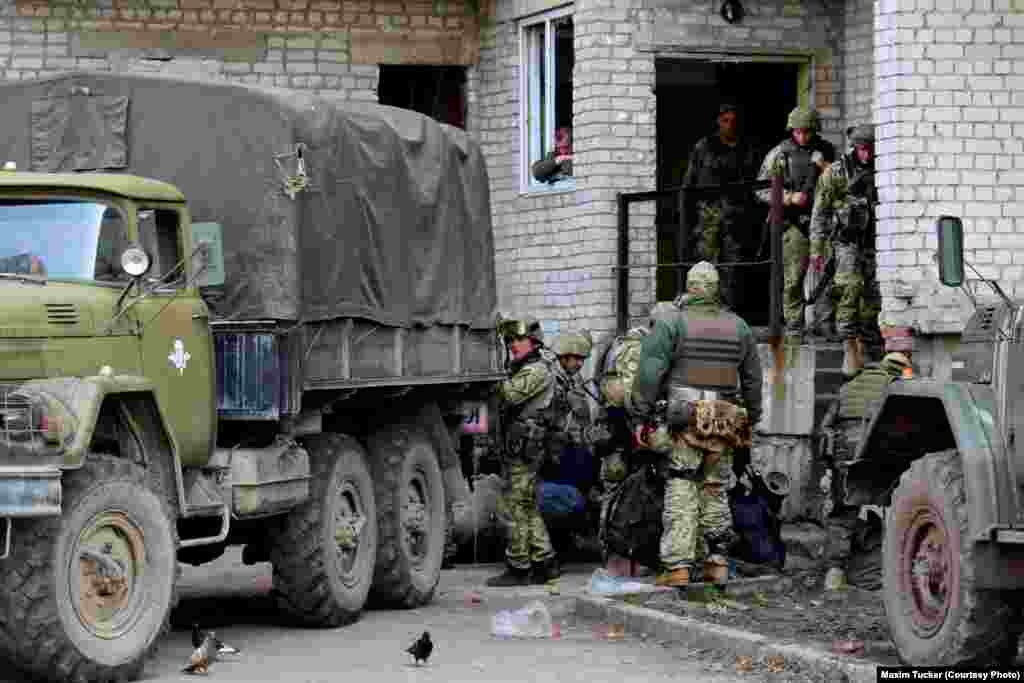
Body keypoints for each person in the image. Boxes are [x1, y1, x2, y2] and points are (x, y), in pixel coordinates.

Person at [629, 262, 763, 587]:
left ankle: (678, 566)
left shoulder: (671, 321)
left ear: (689, 287)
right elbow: (753, 380)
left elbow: (650, 373)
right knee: (715, 487)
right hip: (726, 419)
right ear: (716, 289)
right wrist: (752, 418)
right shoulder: (740, 326)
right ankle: (717, 561)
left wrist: (640, 415)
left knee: (682, 483)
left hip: (684, 418)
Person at [590, 302, 677, 576]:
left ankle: (629, 556)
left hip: (627, 430)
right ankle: (618, 557)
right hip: (626, 432)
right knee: (622, 494)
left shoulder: (635, 345)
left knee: (629, 493)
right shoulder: (636, 348)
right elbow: (631, 398)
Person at [485, 315, 568, 587]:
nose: (513, 345)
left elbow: (509, 395)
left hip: (526, 448)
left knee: (514, 507)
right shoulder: (530, 366)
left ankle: (519, 565)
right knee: (528, 506)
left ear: (533, 342)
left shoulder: (536, 370)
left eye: (518, 340)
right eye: (510, 341)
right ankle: (546, 562)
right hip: (524, 446)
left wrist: (493, 373)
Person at [819, 351, 912, 586]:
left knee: (842, 513)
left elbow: (826, 427)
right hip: (880, 454)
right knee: (897, 509)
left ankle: (834, 574)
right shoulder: (896, 386)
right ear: (900, 369)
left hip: (844, 455)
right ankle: (892, 573)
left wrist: (830, 465)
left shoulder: (848, 386)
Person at [756, 106, 836, 340]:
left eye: (807, 132)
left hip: (823, 223)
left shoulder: (826, 151)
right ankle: (794, 326)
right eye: (798, 132)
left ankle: (824, 323)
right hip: (794, 224)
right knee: (793, 278)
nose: (802, 136)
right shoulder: (780, 153)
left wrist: (824, 167)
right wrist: (789, 197)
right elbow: (761, 189)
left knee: (827, 277)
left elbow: (844, 182)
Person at [809, 124, 880, 376]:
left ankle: (868, 344)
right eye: (862, 149)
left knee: (873, 296)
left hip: (875, 243)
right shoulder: (837, 172)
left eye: (871, 149)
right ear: (855, 148)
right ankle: (848, 344)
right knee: (849, 289)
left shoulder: (885, 169)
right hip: (846, 242)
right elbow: (820, 213)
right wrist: (816, 250)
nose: (867, 155)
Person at [682, 102, 761, 307]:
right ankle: (703, 306)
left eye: (733, 121)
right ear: (718, 122)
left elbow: (755, 183)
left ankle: (727, 309)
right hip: (708, 211)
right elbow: (689, 182)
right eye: (725, 121)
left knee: (732, 265)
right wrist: (685, 213)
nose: (729, 125)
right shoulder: (704, 146)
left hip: (736, 214)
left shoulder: (747, 148)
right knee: (705, 262)